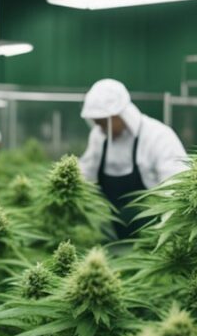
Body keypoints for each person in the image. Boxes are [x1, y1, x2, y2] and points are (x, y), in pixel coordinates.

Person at [78, 78, 188, 239]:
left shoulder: (158, 136)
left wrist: (167, 233)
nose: (99, 128)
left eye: (102, 123)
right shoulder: (99, 137)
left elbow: (177, 186)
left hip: (154, 235)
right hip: (113, 236)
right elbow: (86, 174)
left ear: (119, 114)